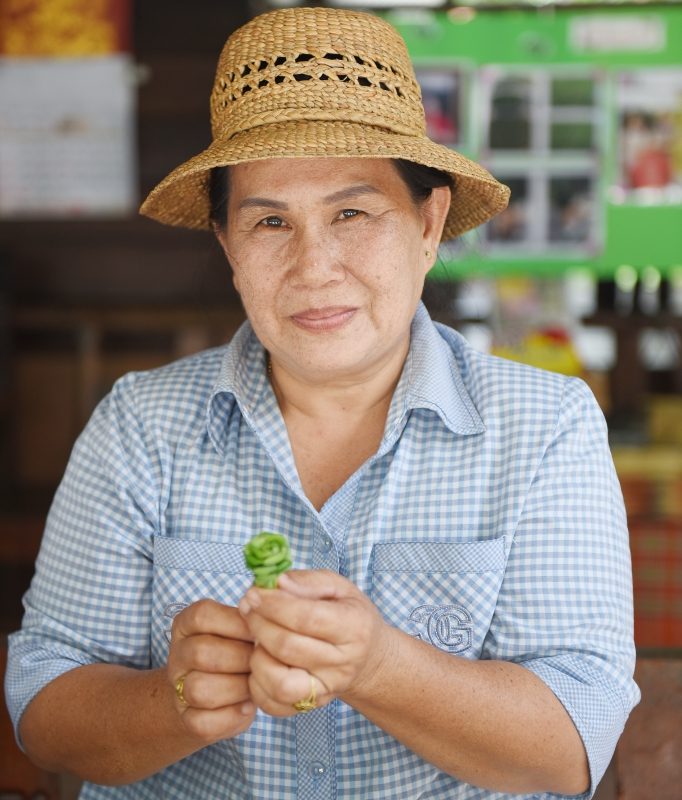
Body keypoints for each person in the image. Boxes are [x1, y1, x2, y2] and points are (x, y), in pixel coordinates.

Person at [5, 7, 638, 799]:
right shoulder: (141, 425)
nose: (315, 267)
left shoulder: (545, 427)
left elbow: (573, 746)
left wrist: (380, 664)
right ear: (228, 245)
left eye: (352, 212)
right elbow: (44, 709)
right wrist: (171, 701)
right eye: (270, 221)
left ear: (428, 221)